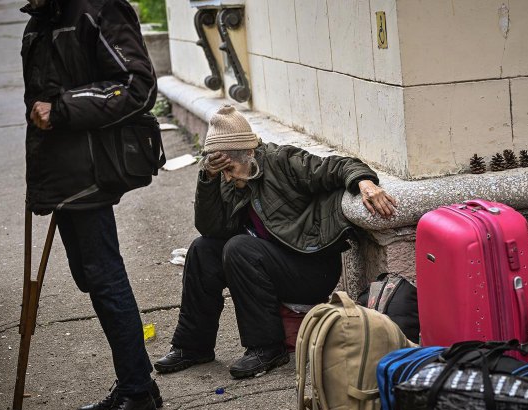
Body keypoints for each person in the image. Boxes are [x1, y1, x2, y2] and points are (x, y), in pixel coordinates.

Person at [154, 105, 397, 379]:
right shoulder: (229, 178)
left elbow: (339, 166)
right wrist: (208, 180)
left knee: (239, 248)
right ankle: (193, 345)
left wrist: (365, 183)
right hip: (266, 263)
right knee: (202, 249)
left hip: (311, 268)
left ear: (249, 154)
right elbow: (210, 228)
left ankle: (266, 348)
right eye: (222, 172)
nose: (229, 177)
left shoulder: (283, 161)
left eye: (231, 169)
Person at [21, 0, 161, 410]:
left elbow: (137, 85)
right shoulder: (43, 19)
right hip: (63, 173)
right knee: (91, 277)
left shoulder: (97, 8)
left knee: (104, 277)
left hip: (90, 171)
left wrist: (61, 108)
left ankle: (137, 394)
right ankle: (138, 384)